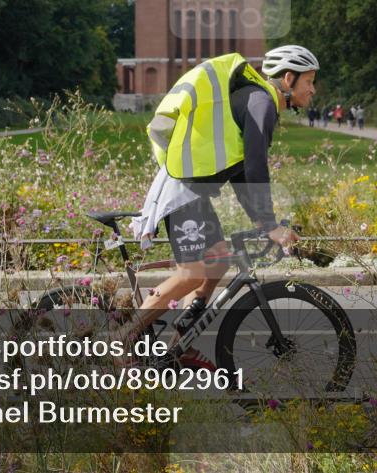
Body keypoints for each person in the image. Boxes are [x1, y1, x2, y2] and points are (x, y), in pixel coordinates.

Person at [128, 45, 316, 365]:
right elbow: (256, 166)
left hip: (193, 192)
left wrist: (263, 222)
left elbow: (242, 174)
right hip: (182, 191)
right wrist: (269, 225)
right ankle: (120, 343)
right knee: (193, 272)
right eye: (309, 81)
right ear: (288, 78)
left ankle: (180, 340)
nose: (313, 89)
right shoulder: (262, 103)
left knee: (217, 262)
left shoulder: (257, 101)